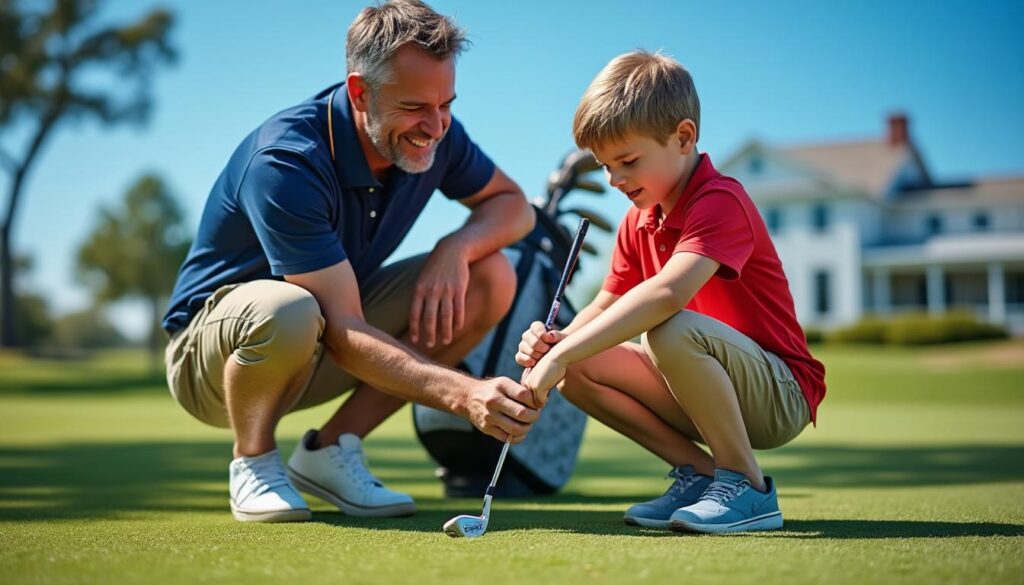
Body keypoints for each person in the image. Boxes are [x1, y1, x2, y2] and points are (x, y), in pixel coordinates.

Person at [163, 0, 539, 523]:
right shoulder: (286, 161)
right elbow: (342, 329)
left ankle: (331, 450)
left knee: (489, 276)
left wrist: (455, 247)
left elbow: (514, 206)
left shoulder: (435, 132)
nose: (435, 126)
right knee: (289, 308)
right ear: (360, 92)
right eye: (414, 107)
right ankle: (253, 460)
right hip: (214, 364)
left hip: (322, 337)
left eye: (446, 103)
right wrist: (465, 393)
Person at [516, 51, 826, 534]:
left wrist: (563, 349)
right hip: (699, 382)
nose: (615, 179)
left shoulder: (721, 200)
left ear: (683, 137)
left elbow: (666, 294)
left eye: (628, 161)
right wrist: (554, 347)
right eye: (604, 166)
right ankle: (701, 476)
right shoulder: (637, 220)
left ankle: (747, 486)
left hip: (780, 394)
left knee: (667, 327)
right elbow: (605, 303)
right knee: (576, 366)